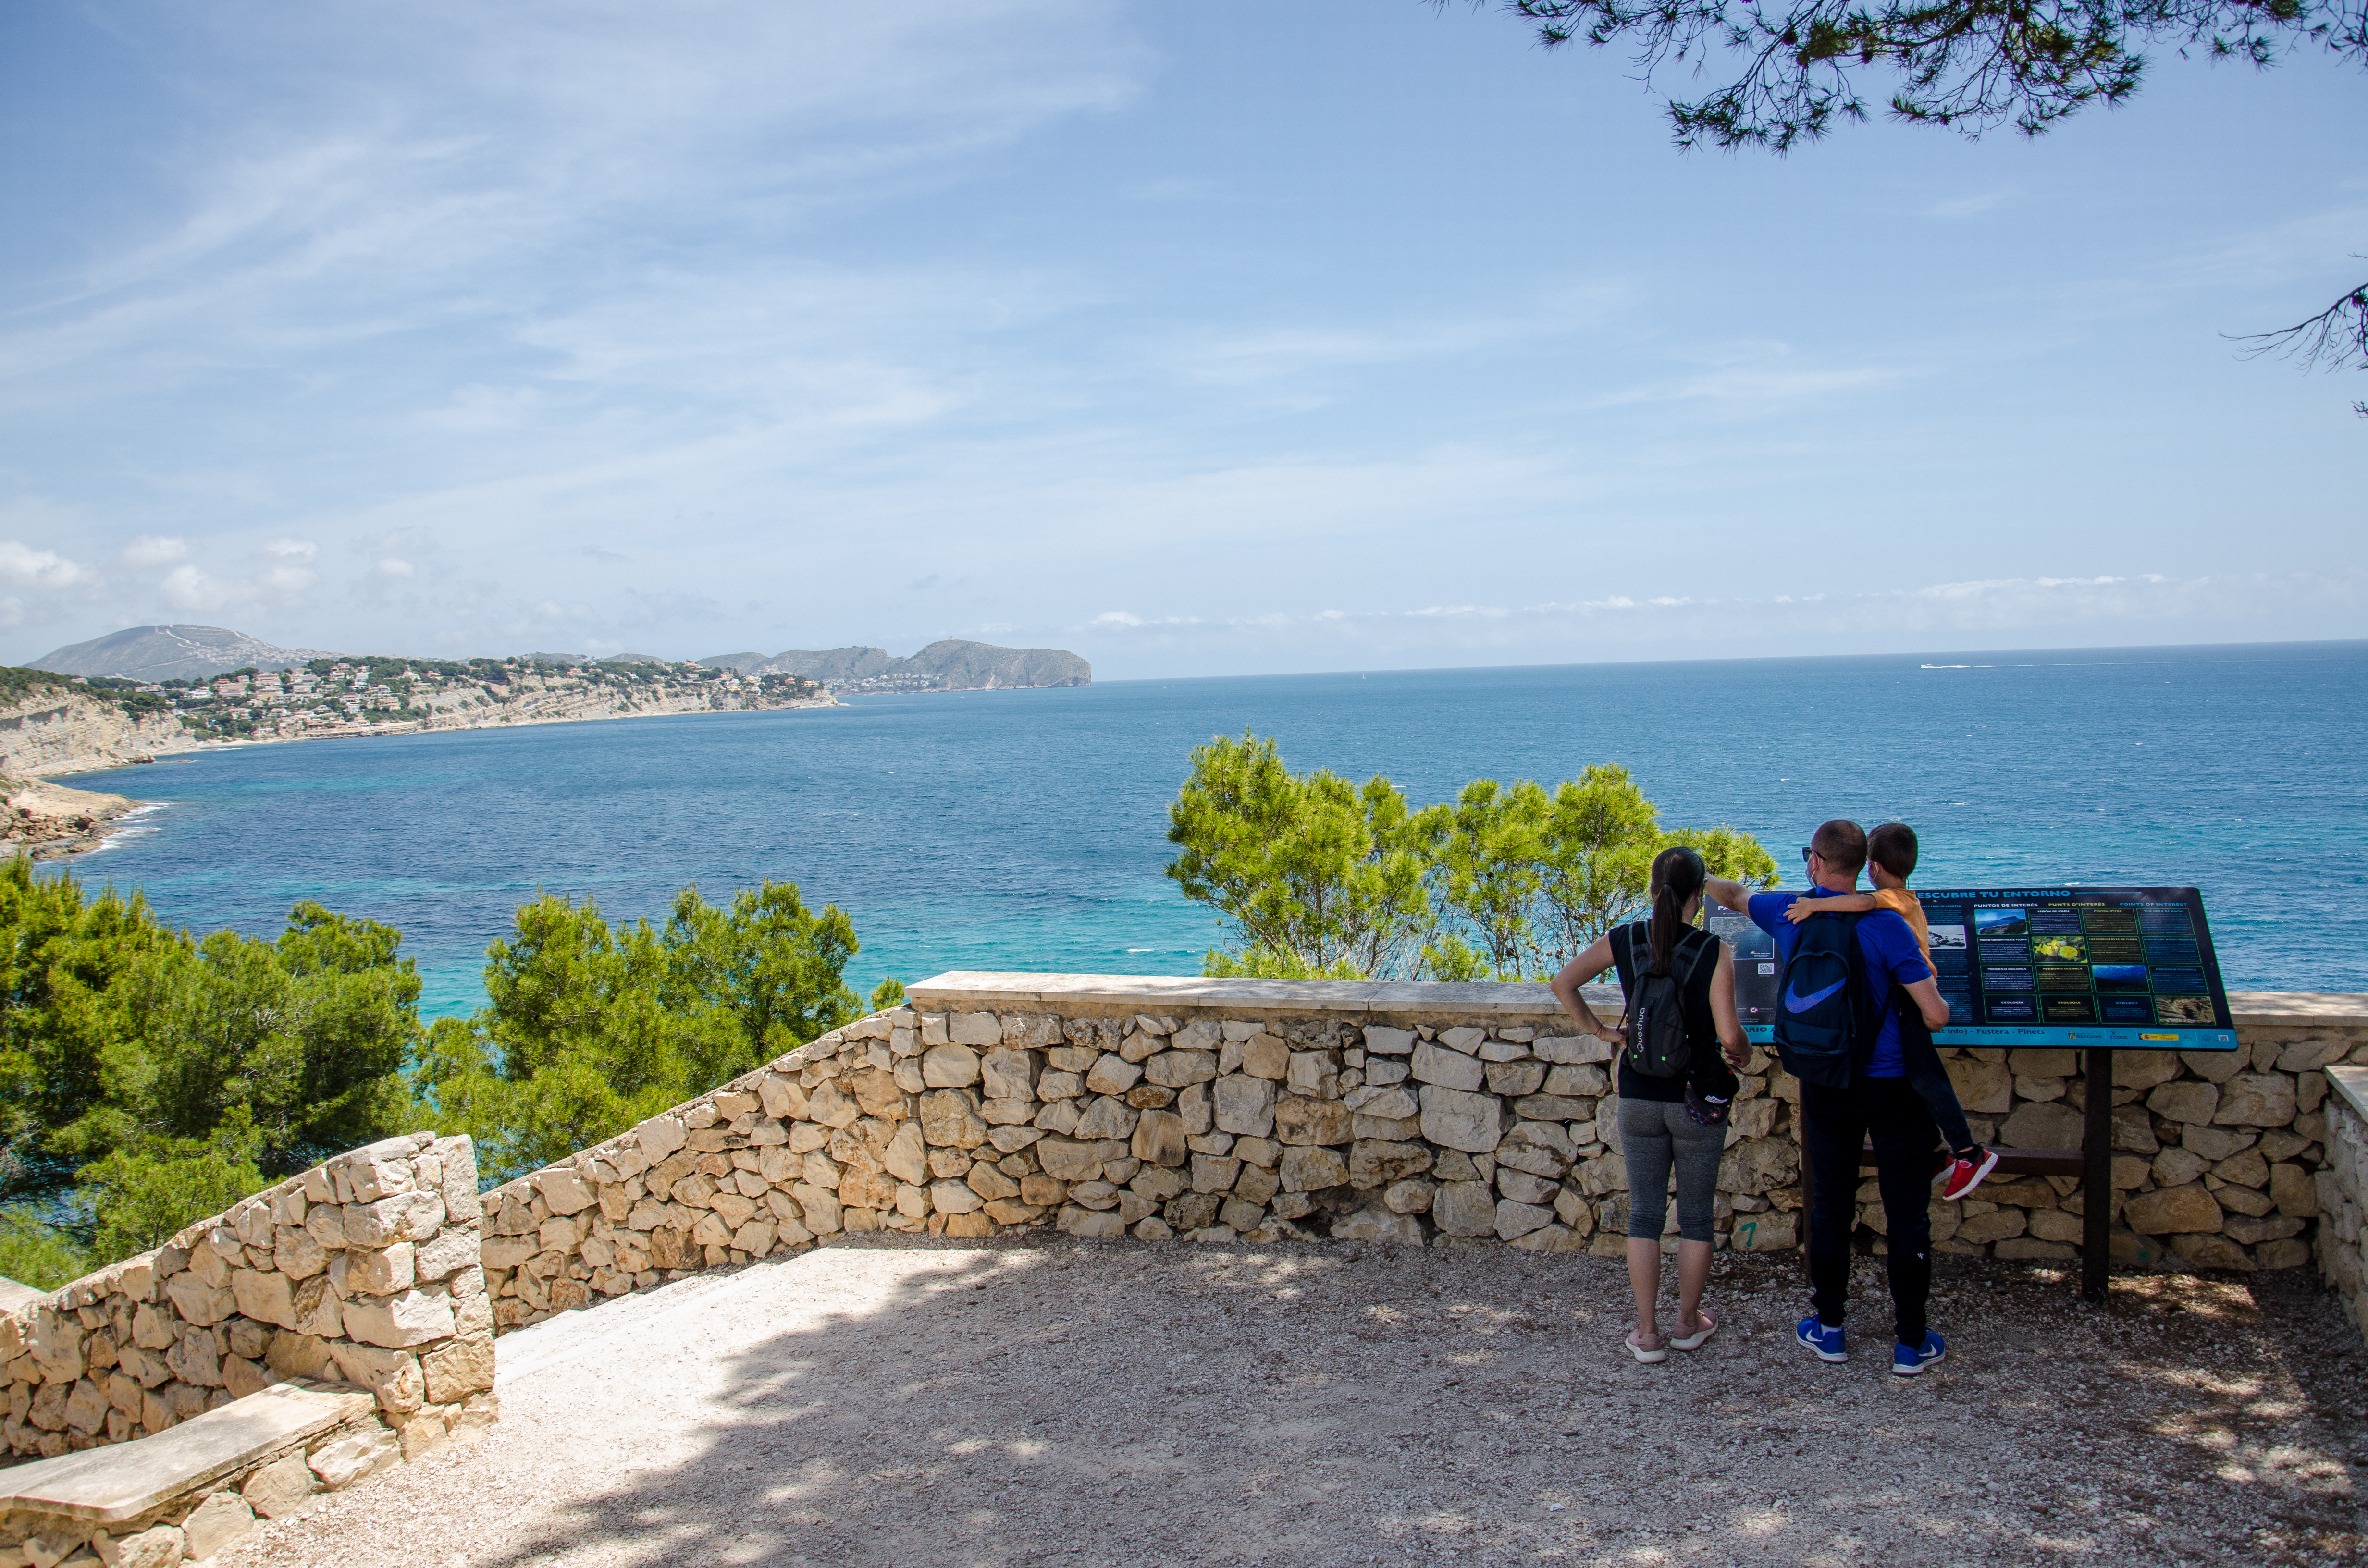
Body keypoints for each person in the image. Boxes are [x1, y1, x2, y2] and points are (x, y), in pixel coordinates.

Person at [1706, 818, 1954, 1377]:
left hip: (1825, 1084)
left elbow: (1735, 896)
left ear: (1814, 863)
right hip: (1892, 1088)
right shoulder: (1888, 926)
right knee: (1907, 1213)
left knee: (1831, 1205)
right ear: (1862, 864)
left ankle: (1830, 1328)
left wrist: (1702, 877)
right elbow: (1935, 1015)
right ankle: (1910, 1343)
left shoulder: (1788, 912)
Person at [1549, 845, 1748, 1364]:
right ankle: (1687, 1323)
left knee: (1644, 1216)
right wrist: (1741, 1053)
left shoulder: (1626, 940)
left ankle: (1646, 1333)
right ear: (1699, 895)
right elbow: (1729, 1034)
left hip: (1637, 1092)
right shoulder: (1712, 952)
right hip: (1695, 1100)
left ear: (1652, 891)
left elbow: (1562, 982)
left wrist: (1601, 1032)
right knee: (1696, 1217)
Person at [1784, 821, 1998, 1201]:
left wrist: (1814, 904)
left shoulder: (1891, 900)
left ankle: (1968, 1152)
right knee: (1919, 1082)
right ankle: (1937, 1155)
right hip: (1908, 996)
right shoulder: (1910, 898)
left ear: (1874, 868)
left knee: (1930, 1079)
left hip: (1910, 1002)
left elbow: (1862, 902)